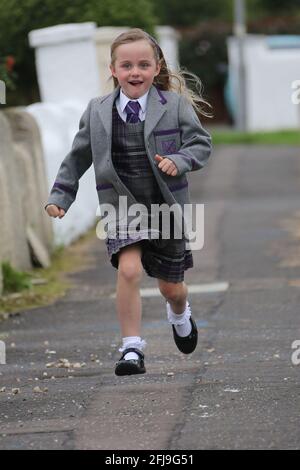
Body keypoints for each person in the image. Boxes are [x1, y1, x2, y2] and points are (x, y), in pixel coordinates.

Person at [45, 28, 212, 376]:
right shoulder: (97, 111)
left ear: (156, 67)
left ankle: (180, 313)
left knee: (171, 287)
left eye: (143, 64)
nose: (135, 72)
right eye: (126, 65)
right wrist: (61, 195)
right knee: (130, 269)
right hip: (121, 206)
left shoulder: (174, 106)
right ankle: (131, 349)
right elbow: (77, 157)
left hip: (167, 208)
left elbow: (201, 145)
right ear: (113, 69)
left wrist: (179, 160)